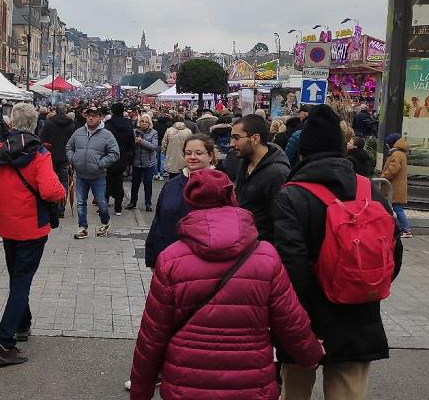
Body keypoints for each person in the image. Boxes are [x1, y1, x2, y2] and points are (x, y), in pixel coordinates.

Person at [129, 169, 324, 400]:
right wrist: (311, 355)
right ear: (232, 197)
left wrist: (141, 391)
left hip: (186, 383)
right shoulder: (266, 256)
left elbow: (152, 336)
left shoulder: (170, 259)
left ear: (190, 202)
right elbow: (290, 321)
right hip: (251, 382)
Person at [272, 104, 403, 400]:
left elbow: (290, 264)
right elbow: (394, 253)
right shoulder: (370, 191)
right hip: (359, 315)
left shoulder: (291, 195)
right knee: (348, 392)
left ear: (303, 150)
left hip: (304, 316)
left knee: (295, 389)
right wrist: (363, 283)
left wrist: (298, 313)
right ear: (341, 147)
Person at [0, 103, 66, 366]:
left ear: (10, 124)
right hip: (33, 226)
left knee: (17, 278)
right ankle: (5, 342)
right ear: (35, 125)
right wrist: (61, 190)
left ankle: (23, 324)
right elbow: (50, 191)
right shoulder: (39, 154)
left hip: (8, 226)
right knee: (21, 282)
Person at [145, 134, 217, 269]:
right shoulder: (171, 185)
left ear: (210, 156)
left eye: (199, 153)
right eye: (188, 153)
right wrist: (151, 256)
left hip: (202, 264)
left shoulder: (220, 186)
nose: (192, 157)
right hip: (168, 258)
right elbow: (158, 221)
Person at [230, 114, 290, 242]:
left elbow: (283, 221)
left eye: (236, 138)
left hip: (263, 247)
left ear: (255, 138)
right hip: (245, 242)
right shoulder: (244, 162)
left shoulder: (278, 173)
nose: (231, 143)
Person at [66, 105, 120, 239]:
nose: (90, 118)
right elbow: (69, 147)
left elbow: (115, 153)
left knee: (101, 202)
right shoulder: (78, 132)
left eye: (94, 115)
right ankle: (82, 227)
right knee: (80, 202)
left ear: (100, 117)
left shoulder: (107, 135)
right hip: (81, 175)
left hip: (98, 175)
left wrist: (100, 164)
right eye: (88, 115)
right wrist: (73, 159)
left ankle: (105, 222)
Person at [39, 102, 76, 217]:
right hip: (66, 156)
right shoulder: (71, 124)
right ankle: (61, 208)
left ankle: (53, 205)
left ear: (56, 110)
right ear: (65, 110)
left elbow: (42, 138)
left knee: (52, 180)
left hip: (52, 156)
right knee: (64, 181)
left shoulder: (49, 122)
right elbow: (74, 140)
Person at [104, 103, 135, 215]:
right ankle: (118, 208)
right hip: (123, 156)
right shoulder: (128, 124)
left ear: (112, 111)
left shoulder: (108, 124)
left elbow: (104, 141)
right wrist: (131, 157)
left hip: (110, 156)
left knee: (107, 180)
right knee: (118, 181)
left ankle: (104, 204)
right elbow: (132, 142)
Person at [127, 113, 158, 212]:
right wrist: (134, 144)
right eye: (142, 121)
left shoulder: (153, 132)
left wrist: (142, 142)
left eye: (146, 122)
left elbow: (153, 147)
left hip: (148, 163)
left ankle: (148, 203)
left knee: (148, 184)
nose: (144, 123)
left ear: (149, 123)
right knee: (135, 184)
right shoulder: (134, 132)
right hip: (136, 163)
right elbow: (129, 146)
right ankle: (133, 202)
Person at [382, 133, 411, 238]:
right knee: (396, 207)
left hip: (394, 187)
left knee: (397, 208)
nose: (386, 146)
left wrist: (384, 177)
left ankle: (406, 229)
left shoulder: (396, 154)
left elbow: (393, 169)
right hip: (395, 186)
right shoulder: (400, 153)